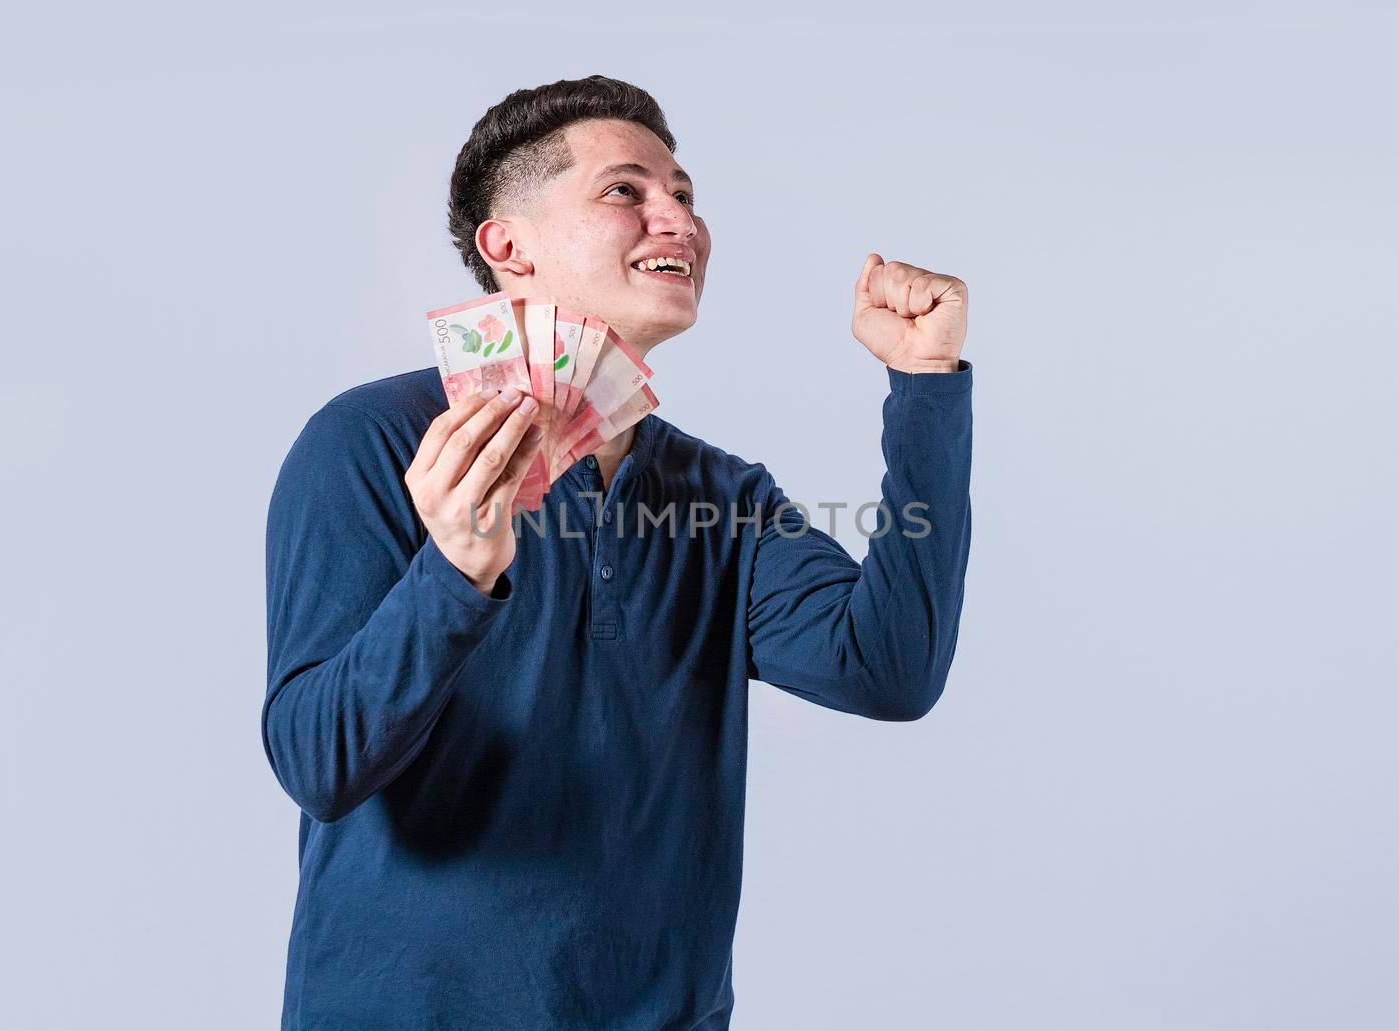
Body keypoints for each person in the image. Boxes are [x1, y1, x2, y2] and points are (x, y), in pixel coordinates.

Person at [262, 74, 974, 1029]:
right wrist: (454, 574)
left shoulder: (722, 498)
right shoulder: (368, 444)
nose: (676, 218)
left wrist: (924, 389)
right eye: (625, 191)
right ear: (507, 246)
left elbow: (888, 670)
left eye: (682, 194)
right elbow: (319, 760)